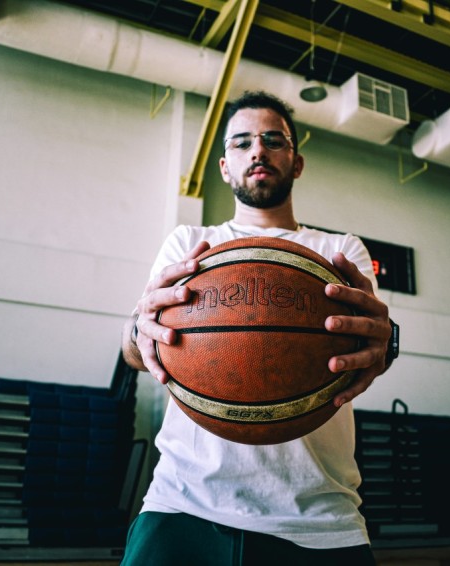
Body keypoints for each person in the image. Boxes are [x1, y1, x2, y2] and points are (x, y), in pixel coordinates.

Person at [119, 91, 399, 565]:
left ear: (297, 161)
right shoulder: (190, 243)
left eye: (274, 139)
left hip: (319, 517)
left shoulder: (339, 251)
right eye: (242, 142)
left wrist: (386, 342)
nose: (258, 150)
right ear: (225, 166)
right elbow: (137, 346)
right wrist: (137, 332)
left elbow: (371, 344)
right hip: (184, 501)